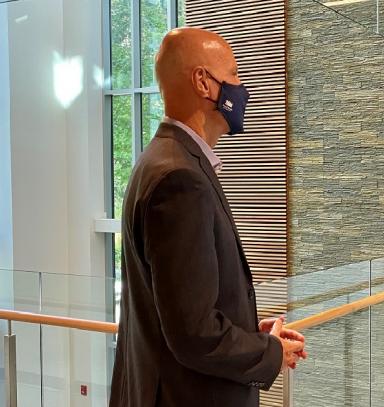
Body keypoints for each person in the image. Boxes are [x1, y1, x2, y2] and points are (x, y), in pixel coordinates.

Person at [109, 27, 306, 407]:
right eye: (234, 75)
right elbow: (194, 334)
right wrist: (269, 354)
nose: (242, 89)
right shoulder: (180, 178)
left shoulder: (160, 160)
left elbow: (178, 310)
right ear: (204, 82)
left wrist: (252, 335)